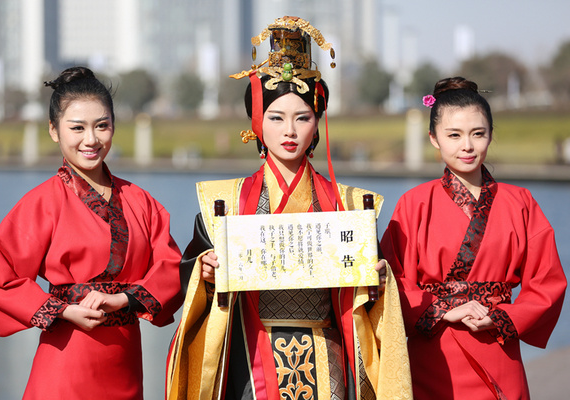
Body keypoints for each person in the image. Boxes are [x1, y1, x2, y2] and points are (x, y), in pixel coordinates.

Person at [166, 16, 412, 400]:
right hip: (249, 355)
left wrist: (378, 282)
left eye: (303, 118)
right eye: (276, 118)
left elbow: (369, 289)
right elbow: (185, 279)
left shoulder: (349, 205)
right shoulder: (224, 204)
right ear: (258, 123)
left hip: (325, 351)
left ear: (318, 123)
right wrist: (205, 272)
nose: (290, 131)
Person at [0, 66, 184, 400]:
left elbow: (173, 268)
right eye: (77, 128)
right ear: (54, 131)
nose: (91, 139)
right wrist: (62, 310)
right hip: (65, 359)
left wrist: (123, 300)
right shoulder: (41, 203)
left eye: (102, 126)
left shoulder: (142, 202)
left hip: (125, 361)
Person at [380, 76, 567, 399]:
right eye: (454, 135)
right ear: (434, 138)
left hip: (498, 346)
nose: (467, 146)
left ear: (490, 136)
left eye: (477, 134)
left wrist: (501, 317)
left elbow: (547, 282)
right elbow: (392, 281)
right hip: (434, 353)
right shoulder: (414, 203)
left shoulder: (520, 202)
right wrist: (442, 310)